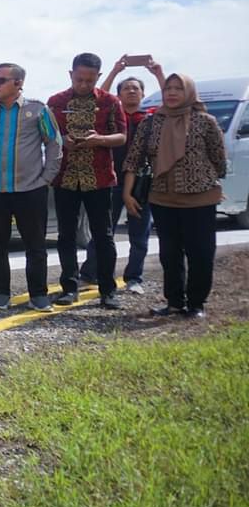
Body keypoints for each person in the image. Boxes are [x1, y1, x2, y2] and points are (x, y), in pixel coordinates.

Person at [124, 73, 227, 319]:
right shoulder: (151, 123)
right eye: (168, 88)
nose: (171, 93)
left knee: (200, 253)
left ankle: (196, 304)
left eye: (178, 89)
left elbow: (219, 158)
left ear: (189, 92)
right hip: (163, 199)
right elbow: (134, 158)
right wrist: (127, 193)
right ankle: (174, 303)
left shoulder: (205, 121)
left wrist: (201, 177)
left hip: (200, 199)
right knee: (169, 254)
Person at [0, 63, 62, 312]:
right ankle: (1, 294)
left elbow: (54, 144)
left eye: (1, 80)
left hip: (30, 190)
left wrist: (46, 178)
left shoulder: (38, 110)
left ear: (18, 83)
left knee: (35, 245)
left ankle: (38, 296)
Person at [80, 55, 166, 293]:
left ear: (142, 93)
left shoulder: (150, 117)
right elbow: (99, 96)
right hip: (110, 180)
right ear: (118, 94)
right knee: (101, 232)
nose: (131, 91)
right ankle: (89, 274)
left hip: (141, 184)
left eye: (136, 88)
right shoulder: (111, 117)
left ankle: (134, 278)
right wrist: (115, 70)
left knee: (140, 235)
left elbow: (172, 102)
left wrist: (158, 73)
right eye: (126, 88)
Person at [47, 53, 126, 309]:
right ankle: (69, 288)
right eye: (79, 79)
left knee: (103, 236)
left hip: (99, 178)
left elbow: (122, 137)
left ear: (98, 77)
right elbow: (47, 136)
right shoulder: (56, 102)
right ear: (71, 75)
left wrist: (99, 140)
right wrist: (62, 140)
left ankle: (108, 290)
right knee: (66, 235)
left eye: (89, 80)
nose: (83, 84)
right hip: (66, 178)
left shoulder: (111, 102)